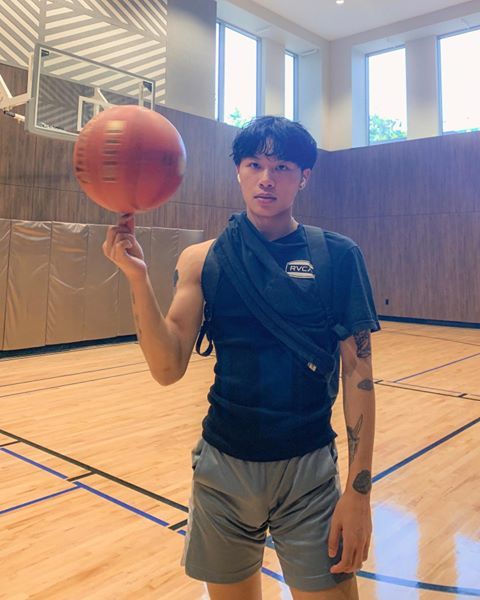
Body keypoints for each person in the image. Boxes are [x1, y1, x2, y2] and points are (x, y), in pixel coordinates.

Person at [103, 116, 379, 600]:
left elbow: (360, 378)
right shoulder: (202, 260)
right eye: (254, 164)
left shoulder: (337, 256)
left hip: (308, 472)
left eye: (282, 166)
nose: (266, 178)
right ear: (238, 171)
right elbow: (167, 367)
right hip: (222, 470)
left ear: (304, 176)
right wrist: (136, 278)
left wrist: (358, 493)